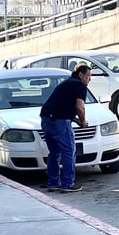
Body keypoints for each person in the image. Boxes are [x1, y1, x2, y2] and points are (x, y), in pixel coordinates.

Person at [39, 64, 91, 193]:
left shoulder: (66, 83)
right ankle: (67, 183)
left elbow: (61, 106)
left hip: (46, 119)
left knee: (54, 152)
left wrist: (76, 120)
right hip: (60, 122)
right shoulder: (79, 86)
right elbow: (80, 107)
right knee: (69, 152)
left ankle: (53, 182)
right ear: (80, 75)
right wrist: (83, 121)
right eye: (88, 76)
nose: (89, 79)